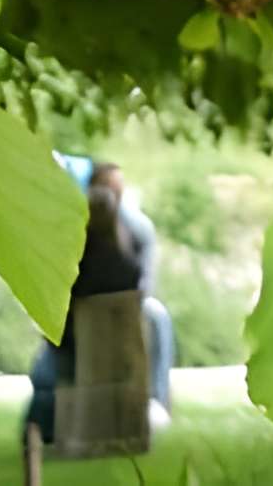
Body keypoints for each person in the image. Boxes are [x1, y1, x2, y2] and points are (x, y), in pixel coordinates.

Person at [23, 160, 176, 444]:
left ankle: (156, 398)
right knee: (50, 371)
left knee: (155, 317)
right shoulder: (76, 233)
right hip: (82, 333)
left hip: (108, 326)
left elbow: (141, 283)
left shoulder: (133, 230)